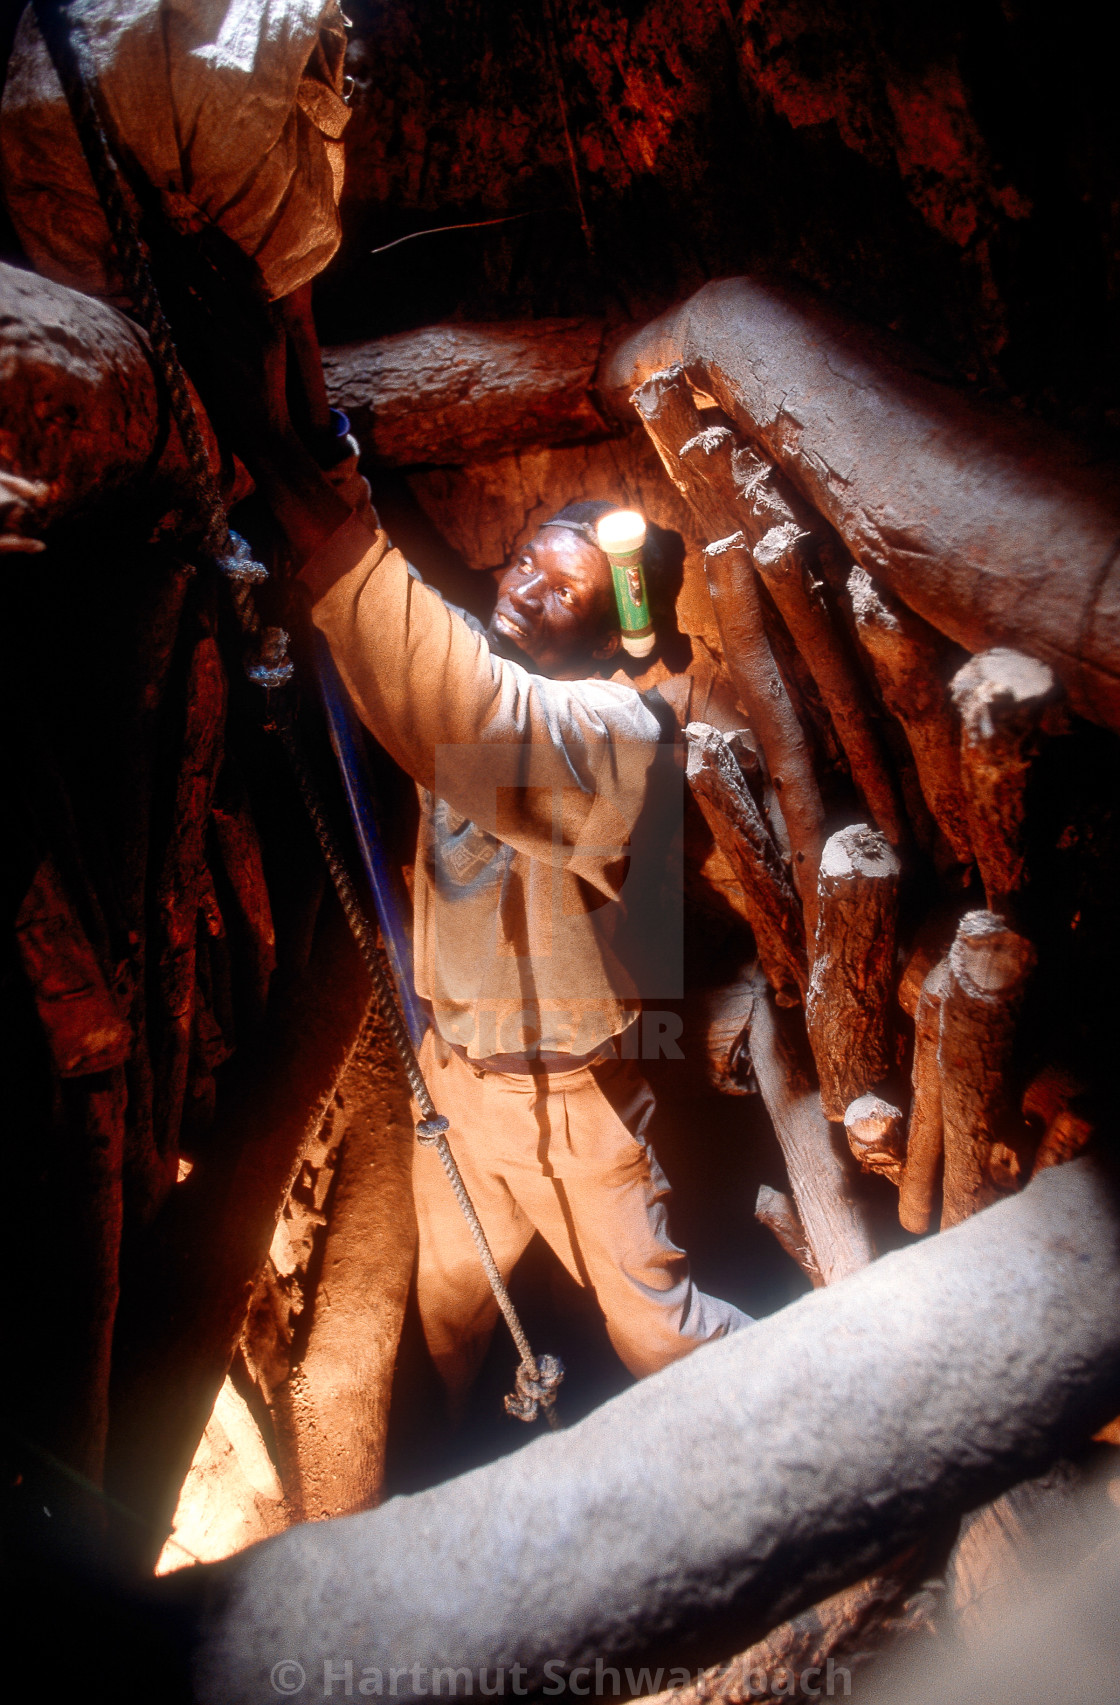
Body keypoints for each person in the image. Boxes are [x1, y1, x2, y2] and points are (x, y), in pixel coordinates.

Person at [300, 495, 752, 1412]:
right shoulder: (487, 660)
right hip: (455, 1083)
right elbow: (425, 651)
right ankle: (464, 1454)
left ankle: (828, 1390)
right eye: (521, 562)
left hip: (571, 1101)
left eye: (566, 588)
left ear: (607, 626)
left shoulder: (616, 730)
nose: (526, 590)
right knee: (454, 1302)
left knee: (659, 1332)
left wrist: (331, 523)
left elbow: (470, 708)